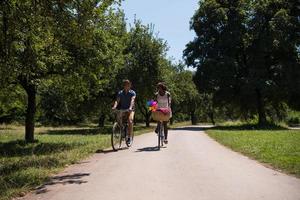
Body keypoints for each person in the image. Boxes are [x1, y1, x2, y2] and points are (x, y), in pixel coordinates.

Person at [112, 80, 136, 144]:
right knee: (118, 119)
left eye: (128, 85)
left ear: (130, 85)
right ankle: (122, 131)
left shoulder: (132, 92)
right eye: (126, 84)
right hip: (122, 109)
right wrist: (114, 106)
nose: (127, 86)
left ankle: (129, 137)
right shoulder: (120, 93)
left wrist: (130, 107)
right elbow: (117, 101)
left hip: (131, 109)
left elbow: (132, 100)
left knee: (130, 121)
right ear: (124, 85)